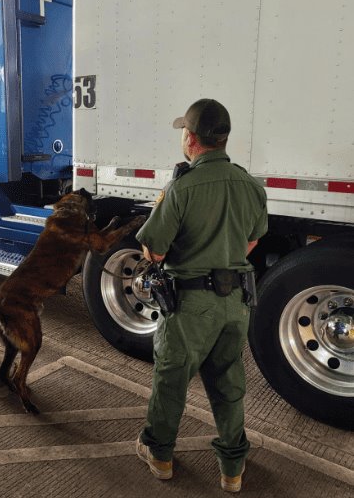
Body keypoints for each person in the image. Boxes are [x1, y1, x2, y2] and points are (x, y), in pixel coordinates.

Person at [135, 98, 268, 493]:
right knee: (228, 383)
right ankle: (232, 469)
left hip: (190, 305)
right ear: (223, 138)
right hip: (236, 304)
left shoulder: (183, 185)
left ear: (191, 138)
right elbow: (253, 239)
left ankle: (159, 455)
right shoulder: (251, 184)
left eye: (183, 132)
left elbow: (154, 251)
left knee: (172, 379)